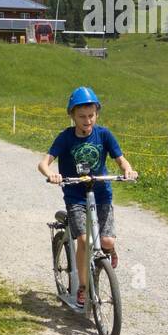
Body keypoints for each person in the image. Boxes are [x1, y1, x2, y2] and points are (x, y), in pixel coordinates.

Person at [37, 86, 137, 308]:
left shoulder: (104, 135)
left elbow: (121, 160)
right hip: (76, 196)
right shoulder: (65, 138)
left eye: (91, 115)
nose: (87, 120)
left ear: (97, 114)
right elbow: (43, 163)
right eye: (81, 116)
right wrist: (51, 174)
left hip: (101, 193)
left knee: (106, 241)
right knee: (84, 240)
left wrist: (128, 170)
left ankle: (109, 250)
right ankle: (83, 287)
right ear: (72, 116)